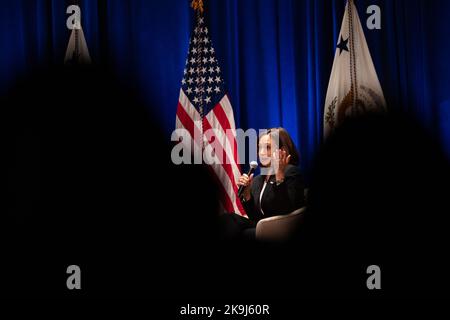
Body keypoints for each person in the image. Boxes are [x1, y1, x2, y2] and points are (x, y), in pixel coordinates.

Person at [219, 127, 305, 241]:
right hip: (262, 226)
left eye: (268, 147)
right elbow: (255, 217)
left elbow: (287, 210)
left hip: (282, 229)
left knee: (240, 233)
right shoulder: (258, 179)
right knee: (228, 219)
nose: (262, 152)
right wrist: (247, 194)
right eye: (260, 148)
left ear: (282, 151)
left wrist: (279, 175)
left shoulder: (291, 172)